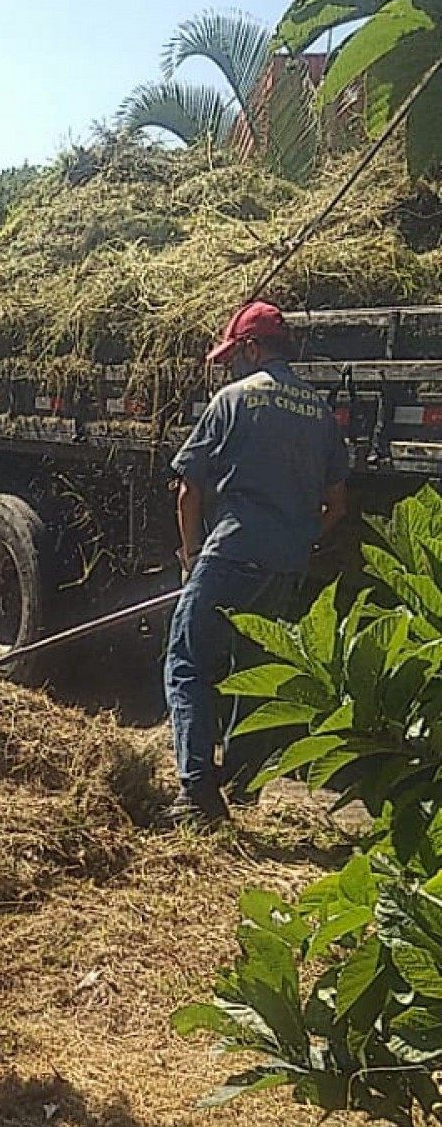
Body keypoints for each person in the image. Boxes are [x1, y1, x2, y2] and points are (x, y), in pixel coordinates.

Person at [165, 299, 351, 830]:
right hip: (285, 564)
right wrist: (296, 542)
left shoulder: (233, 400)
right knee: (254, 671)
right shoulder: (318, 411)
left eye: (233, 355)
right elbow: (337, 506)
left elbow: (187, 490)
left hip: (230, 553)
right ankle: (243, 784)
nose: (229, 365)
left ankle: (198, 794)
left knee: (188, 663)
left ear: (250, 348)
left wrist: (193, 555)